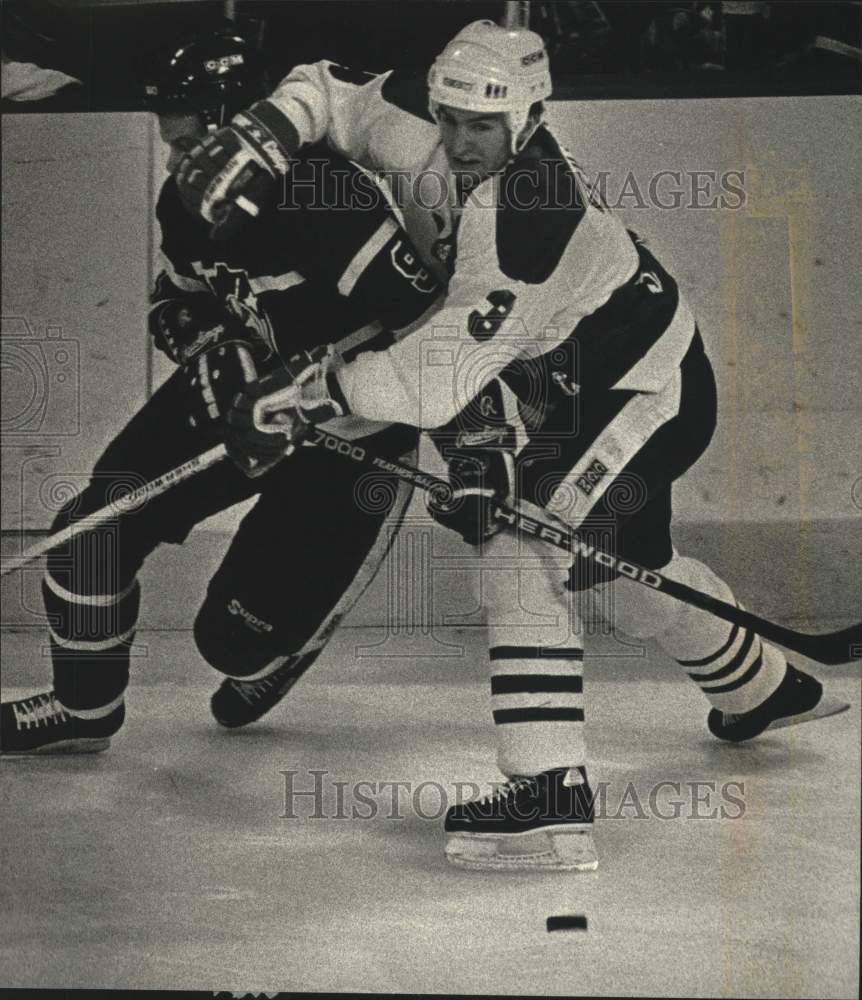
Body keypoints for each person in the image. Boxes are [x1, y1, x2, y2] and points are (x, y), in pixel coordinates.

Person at [173, 19, 847, 872]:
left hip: (645, 390)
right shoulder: (430, 132)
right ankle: (760, 690)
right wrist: (265, 132)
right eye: (449, 118)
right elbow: (333, 87)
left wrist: (305, 392)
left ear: (527, 119)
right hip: (574, 381)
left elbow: (434, 380)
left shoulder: (529, 219)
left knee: (518, 543)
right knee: (622, 574)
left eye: (480, 126)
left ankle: (548, 798)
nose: (458, 142)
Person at [0, 24, 445, 755]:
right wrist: (214, 344)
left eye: (184, 142)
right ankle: (85, 708)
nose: (176, 162)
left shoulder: (326, 196)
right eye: (170, 144)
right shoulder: (187, 204)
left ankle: (277, 646)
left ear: (233, 121)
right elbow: (174, 302)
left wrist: (312, 388)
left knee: (231, 644)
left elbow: (424, 330)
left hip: (349, 433)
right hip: (243, 397)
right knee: (91, 533)